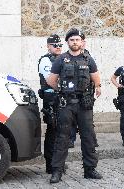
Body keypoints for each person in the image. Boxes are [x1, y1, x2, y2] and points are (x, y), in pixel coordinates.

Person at [47, 28, 102, 183]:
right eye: (72, 40)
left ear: (82, 42)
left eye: (77, 40)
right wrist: (62, 91)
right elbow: (51, 81)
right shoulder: (61, 59)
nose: (75, 42)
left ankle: (90, 169)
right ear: (68, 42)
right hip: (66, 104)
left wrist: (97, 88)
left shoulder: (88, 59)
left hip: (84, 105)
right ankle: (57, 171)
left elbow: (96, 79)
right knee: (62, 137)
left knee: (88, 137)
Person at [38, 34, 63, 174]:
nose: (58, 47)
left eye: (60, 45)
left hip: (61, 97)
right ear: (48, 46)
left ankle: (58, 163)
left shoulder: (64, 58)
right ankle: (50, 164)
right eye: (55, 45)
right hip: (51, 98)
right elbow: (50, 81)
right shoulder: (46, 60)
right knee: (52, 131)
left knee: (62, 132)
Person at [69, 33, 99, 149]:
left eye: (81, 40)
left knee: (88, 119)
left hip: (86, 93)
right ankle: (71, 140)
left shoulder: (88, 57)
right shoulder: (69, 56)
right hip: (73, 92)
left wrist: (97, 86)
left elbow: (94, 74)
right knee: (72, 118)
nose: (79, 43)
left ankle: (92, 140)